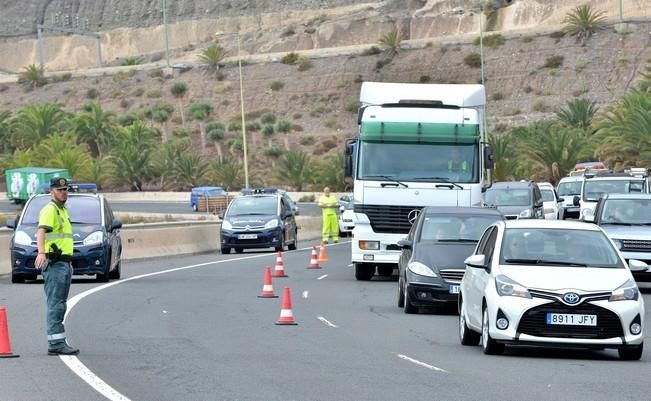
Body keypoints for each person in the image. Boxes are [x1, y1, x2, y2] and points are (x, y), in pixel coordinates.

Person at [34, 177, 79, 356]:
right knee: (56, 304)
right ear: (52, 191)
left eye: (65, 189)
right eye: (60, 190)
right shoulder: (50, 210)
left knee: (60, 304)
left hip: (65, 263)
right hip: (54, 264)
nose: (63, 192)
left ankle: (58, 340)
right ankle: (56, 343)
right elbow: (41, 231)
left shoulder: (62, 210)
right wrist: (41, 252)